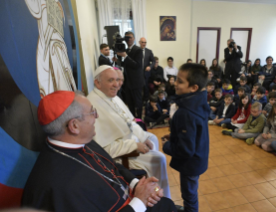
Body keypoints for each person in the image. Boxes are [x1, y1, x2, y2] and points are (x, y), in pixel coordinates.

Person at [22, 91, 176, 212]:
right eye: (92, 112)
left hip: (131, 198)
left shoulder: (80, 141)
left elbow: (113, 166)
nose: (97, 116)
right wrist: (140, 201)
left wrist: (137, 185)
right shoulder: (58, 186)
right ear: (74, 126)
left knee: (166, 203)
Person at [87, 65, 170, 197]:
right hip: (121, 155)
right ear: (97, 82)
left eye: (117, 80)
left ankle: (154, 191)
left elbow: (130, 122)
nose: (117, 85)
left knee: (152, 138)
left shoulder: (111, 96)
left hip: (129, 142)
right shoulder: (93, 105)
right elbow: (103, 149)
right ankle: (159, 196)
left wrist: (142, 137)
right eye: (110, 80)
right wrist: (135, 145)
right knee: (159, 158)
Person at [162, 63, 210, 212]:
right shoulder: (199, 101)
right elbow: (193, 133)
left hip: (191, 163)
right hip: (198, 157)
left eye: (180, 81)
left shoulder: (186, 113)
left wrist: (167, 146)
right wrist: (175, 136)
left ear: (194, 87)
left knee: (189, 194)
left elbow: (186, 150)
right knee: (191, 191)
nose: (175, 84)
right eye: (176, 79)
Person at [115, 31, 144, 118]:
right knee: (130, 103)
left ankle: (139, 121)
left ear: (134, 38)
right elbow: (127, 65)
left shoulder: (138, 50)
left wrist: (125, 56)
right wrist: (118, 61)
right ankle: (132, 119)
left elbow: (137, 65)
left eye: (130, 37)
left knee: (138, 103)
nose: (128, 39)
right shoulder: (126, 50)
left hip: (136, 82)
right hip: (128, 82)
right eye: (126, 37)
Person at [139, 37, 155, 101]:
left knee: (146, 88)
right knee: (139, 88)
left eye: (145, 42)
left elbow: (153, 61)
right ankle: (139, 101)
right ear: (139, 42)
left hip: (146, 73)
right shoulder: (137, 50)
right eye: (142, 42)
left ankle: (145, 102)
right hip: (138, 73)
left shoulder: (149, 51)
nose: (144, 44)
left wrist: (150, 67)